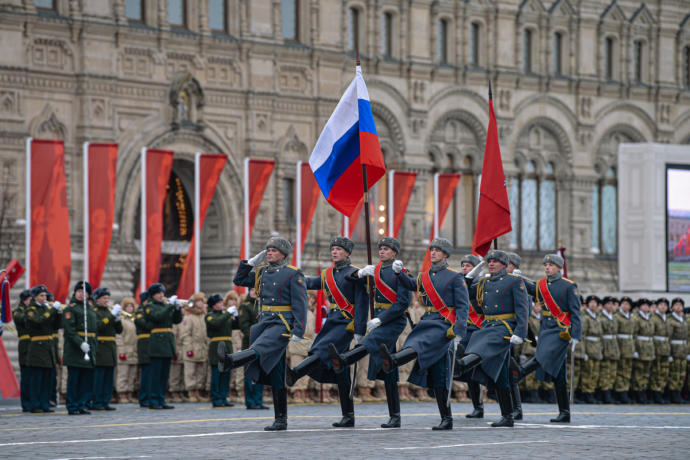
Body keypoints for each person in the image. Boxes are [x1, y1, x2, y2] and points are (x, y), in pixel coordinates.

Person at [380, 237, 469, 430]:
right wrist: (399, 272)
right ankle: (447, 419)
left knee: (418, 343)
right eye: (432, 250)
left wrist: (459, 330)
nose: (433, 253)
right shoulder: (425, 275)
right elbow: (412, 284)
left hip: (443, 325)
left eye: (437, 250)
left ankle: (394, 360)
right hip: (427, 321)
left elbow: (463, 306)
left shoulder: (455, 277)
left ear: (445, 254)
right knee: (438, 375)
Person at [221, 237, 307, 430]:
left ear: (283, 254)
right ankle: (281, 420)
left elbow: (300, 303)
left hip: (282, 322)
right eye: (268, 250)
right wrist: (250, 262)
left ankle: (232, 361)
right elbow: (239, 280)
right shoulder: (261, 272)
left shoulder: (292, 273)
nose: (269, 253)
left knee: (260, 347)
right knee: (277, 373)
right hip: (264, 322)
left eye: (274, 250)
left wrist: (299, 329)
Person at [285, 236, 368, 428]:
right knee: (340, 370)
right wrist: (291, 276)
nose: (334, 252)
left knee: (321, 350)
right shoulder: (328, 274)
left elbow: (362, 302)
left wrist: (359, 328)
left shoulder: (356, 273)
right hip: (332, 321)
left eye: (339, 249)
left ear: (347, 253)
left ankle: (296, 373)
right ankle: (348, 415)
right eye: (333, 249)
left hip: (347, 323)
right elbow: (310, 283)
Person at [328, 237, 410, 428]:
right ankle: (395, 416)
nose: (382, 251)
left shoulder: (401, 272)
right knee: (388, 368)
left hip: (393, 320)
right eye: (380, 248)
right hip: (379, 320)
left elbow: (402, 303)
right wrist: (360, 273)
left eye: (386, 249)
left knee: (369, 341)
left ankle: (345, 359)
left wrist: (381, 318)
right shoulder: (375, 270)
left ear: (394, 252)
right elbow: (348, 279)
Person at [454, 249, 527, 428]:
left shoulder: (514, 281)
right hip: (488, 325)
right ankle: (507, 416)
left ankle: (462, 364)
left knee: (482, 345)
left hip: (505, 327)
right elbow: (470, 298)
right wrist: (470, 278)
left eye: (495, 261)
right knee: (501, 376)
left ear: (504, 264)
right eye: (490, 261)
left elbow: (522, 309)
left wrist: (520, 332)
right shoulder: (484, 282)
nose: (491, 264)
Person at [514, 253, 580, 423]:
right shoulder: (542, 285)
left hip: (560, 330)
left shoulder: (569, 286)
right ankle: (564, 412)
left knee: (542, 357)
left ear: (559, 267)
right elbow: (530, 289)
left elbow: (575, 312)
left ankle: (518, 373)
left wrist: (576, 335)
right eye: (545, 265)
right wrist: (516, 278)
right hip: (546, 329)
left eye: (551, 265)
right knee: (559, 374)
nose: (547, 268)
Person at [452, 253, 485, 419]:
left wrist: (468, 283)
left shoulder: (480, 283)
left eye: (468, 266)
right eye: (463, 265)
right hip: (466, 330)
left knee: (502, 371)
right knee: (469, 370)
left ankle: (514, 407)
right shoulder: (459, 282)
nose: (464, 268)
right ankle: (477, 406)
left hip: (480, 329)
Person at [144, 283, 183, 409]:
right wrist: (170, 306)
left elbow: (176, 320)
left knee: (164, 374)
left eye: (162, 293)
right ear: (153, 295)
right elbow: (157, 316)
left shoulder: (165, 306)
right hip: (157, 343)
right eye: (159, 293)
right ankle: (153, 400)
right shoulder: (149, 306)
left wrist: (177, 309)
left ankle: (161, 398)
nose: (162, 295)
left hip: (167, 343)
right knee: (155, 374)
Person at [62, 281, 97, 415]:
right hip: (75, 349)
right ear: (75, 293)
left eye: (85, 293)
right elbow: (70, 331)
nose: (82, 294)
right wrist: (81, 343)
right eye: (79, 292)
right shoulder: (70, 309)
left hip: (89, 348)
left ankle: (82, 404)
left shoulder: (89, 308)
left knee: (86, 380)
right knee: (74, 379)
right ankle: (72, 405)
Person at [25, 284, 61, 413]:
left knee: (47, 379)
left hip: (48, 348)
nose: (44, 297)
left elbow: (56, 326)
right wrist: (51, 311)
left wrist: (57, 313)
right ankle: (35, 404)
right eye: (41, 295)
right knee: (37, 379)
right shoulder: (31, 309)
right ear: (35, 297)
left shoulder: (46, 309)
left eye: (45, 295)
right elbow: (38, 321)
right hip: (37, 348)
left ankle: (45, 404)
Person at [237, 288, 268, 410]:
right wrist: (255, 336)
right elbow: (244, 326)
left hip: (263, 342)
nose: (255, 292)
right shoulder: (245, 306)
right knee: (250, 372)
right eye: (253, 290)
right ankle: (250, 401)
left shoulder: (264, 305)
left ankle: (258, 400)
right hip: (250, 343)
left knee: (260, 372)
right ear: (249, 291)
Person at [92, 288, 122, 410]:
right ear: (97, 299)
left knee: (108, 378)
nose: (107, 300)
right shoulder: (94, 311)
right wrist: (112, 315)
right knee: (99, 378)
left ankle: (105, 401)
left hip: (110, 348)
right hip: (100, 347)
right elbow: (98, 326)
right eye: (104, 298)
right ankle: (97, 401)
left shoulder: (109, 312)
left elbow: (119, 331)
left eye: (107, 298)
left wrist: (118, 319)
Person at [206, 293, 238, 407]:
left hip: (227, 345)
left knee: (226, 374)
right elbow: (217, 323)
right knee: (217, 374)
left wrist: (236, 316)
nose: (221, 304)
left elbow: (235, 325)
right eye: (219, 303)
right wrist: (228, 313)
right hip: (216, 345)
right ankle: (216, 398)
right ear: (214, 305)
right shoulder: (210, 315)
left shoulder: (225, 315)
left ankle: (224, 397)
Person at [181, 292, 210, 404]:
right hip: (193, 347)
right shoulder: (189, 317)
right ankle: (191, 392)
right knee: (191, 371)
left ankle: (198, 391)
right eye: (198, 301)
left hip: (202, 347)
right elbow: (186, 335)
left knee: (200, 372)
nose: (201, 303)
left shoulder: (204, 316)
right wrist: (189, 348)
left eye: (202, 301)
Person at [12, 289, 33, 412]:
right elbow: (23, 320)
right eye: (30, 300)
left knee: (33, 375)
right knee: (26, 376)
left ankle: (33, 401)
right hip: (25, 345)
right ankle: (26, 403)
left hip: (34, 345)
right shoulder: (18, 312)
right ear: (25, 300)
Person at [580, 295, 603, 404]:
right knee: (587, 372)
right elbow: (582, 336)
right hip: (588, 347)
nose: (593, 304)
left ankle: (592, 392)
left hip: (596, 348)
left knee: (595, 373)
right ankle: (586, 393)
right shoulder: (585, 317)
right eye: (591, 302)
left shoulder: (598, 317)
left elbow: (600, 335)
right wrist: (583, 351)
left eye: (595, 302)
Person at [631, 298, 655, 404]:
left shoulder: (650, 318)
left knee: (646, 372)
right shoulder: (636, 318)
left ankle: (643, 392)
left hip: (649, 348)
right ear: (640, 307)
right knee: (639, 372)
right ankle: (638, 393)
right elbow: (634, 335)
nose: (646, 307)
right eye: (643, 305)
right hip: (640, 347)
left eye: (647, 305)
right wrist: (635, 349)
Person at [597, 296, 620, 404]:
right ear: (604, 305)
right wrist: (600, 349)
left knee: (612, 372)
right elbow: (600, 335)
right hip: (605, 346)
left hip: (613, 347)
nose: (611, 306)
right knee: (605, 372)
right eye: (608, 304)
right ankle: (604, 393)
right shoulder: (600, 318)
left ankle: (610, 392)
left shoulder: (614, 317)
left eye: (612, 304)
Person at [115, 297, 138, 404]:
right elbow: (119, 336)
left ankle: (129, 392)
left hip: (134, 350)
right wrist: (121, 350)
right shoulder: (122, 320)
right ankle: (122, 393)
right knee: (123, 374)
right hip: (125, 348)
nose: (130, 308)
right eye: (128, 306)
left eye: (132, 306)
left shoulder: (134, 320)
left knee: (132, 374)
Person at [614, 296, 635, 404]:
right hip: (620, 345)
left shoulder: (631, 317)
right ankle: (620, 392)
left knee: (627, 371)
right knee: (620, 371)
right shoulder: (616, 316)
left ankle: (625, 391)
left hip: (629, 347)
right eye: (623, 303)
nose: (625, 306)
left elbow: (634, 334)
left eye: (627, 304)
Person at [650, 298, 671, 404]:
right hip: (656, 347)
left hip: (665, 348)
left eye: (665, 305)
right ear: (657, 306)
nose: (663, 307)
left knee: (664, 372)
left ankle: (662, 392)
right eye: (661, 304)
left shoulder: (667, 319)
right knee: (656, 372)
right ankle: (655, 393)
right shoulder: (653, 318)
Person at [668, 298, 688, 403]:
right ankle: (673, 395)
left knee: (681, 374)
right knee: (674, 374)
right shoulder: (670, 321)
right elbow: (669, 337)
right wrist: (669, 353)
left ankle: (679, 394)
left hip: (683, 351)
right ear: (672, 307)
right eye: (676, 305)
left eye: (680, 305)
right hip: (674, 351)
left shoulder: (684, 320)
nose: (679, 307)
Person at [134, 292, 152, 408]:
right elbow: (146, 325)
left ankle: (150, 396)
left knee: (152, 373)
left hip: (152, 344)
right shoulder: (140, 313)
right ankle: (144, 397)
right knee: (146, 373)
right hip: (144, 344)